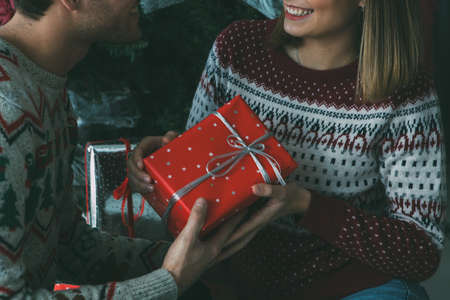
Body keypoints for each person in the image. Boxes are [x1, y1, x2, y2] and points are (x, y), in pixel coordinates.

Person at [129, 0, 446, 299]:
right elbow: (200, 196)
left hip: (351, 287)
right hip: (237, 283)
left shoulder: (404, 89)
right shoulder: (236, 48)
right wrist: (165, 159)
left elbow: (421, 252)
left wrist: (304, 204)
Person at [0, 0, 250, 299]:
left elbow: (69, 245)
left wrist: (201, 258)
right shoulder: (8, 107)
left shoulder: (39, 83)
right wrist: (170, 279)